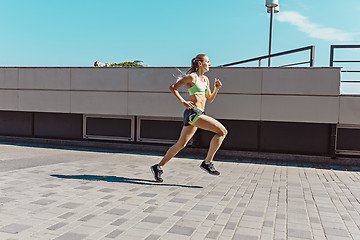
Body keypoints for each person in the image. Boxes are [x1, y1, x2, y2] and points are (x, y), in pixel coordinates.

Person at [151, 54, 228, 182]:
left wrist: (217, 89)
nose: (210, 64)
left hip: (199, 113)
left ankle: (158, 167)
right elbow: (173, 87)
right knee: (222, 131)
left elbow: (209, 99)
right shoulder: (192, 77)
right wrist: (183, 101)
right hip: (194, 113)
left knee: (181, 144)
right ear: (199, 63)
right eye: (207, 62)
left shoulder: (206, 80)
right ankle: (207, 163)